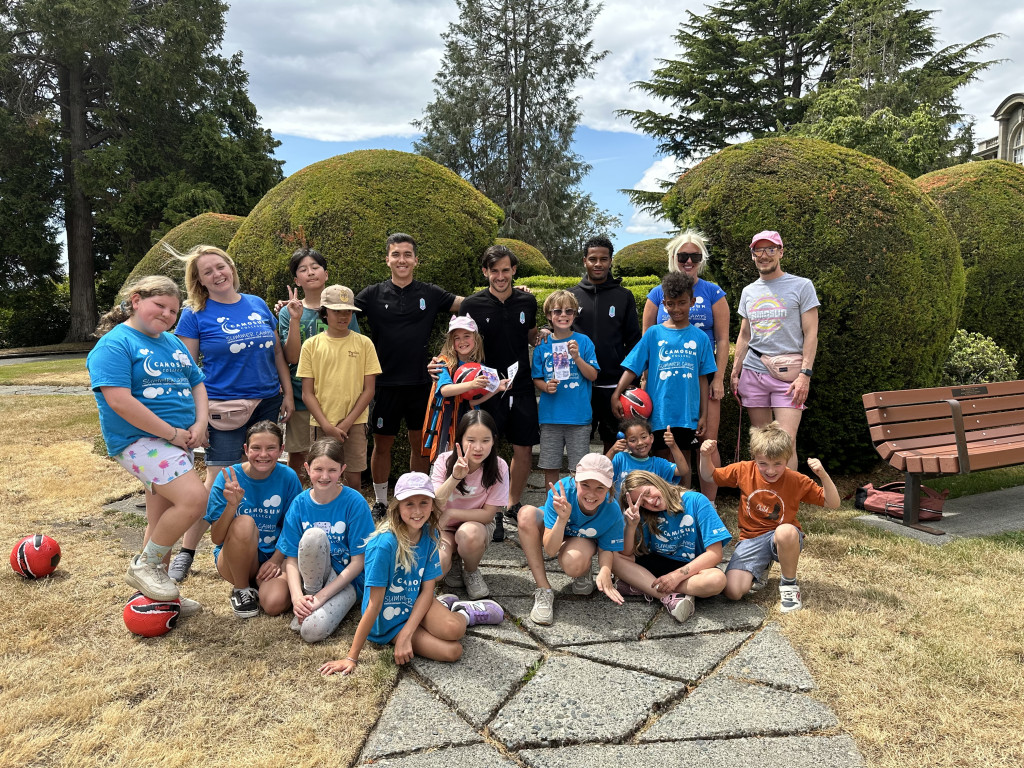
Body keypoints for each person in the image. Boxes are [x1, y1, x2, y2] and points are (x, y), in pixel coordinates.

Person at [169, 245, 294, 582]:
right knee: (214, 486)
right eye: (207, 271)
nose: (217, 274)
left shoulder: (256, 304)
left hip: (267, 401)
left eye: (220, 266)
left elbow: (277, 353)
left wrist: (288, 392)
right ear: (199, 280)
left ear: (231, 268)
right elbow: (186, 373)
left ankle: (260, 542)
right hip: (223, 410)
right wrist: (198, 419)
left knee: (261, 473)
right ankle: (187, 551)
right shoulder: (194, 315)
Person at [86, 276, 207, 614]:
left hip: (176, 441)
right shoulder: (115, 344)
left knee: (163, 520)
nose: (168, 314)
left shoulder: (172, 342)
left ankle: (158, 599)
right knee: (194, 499)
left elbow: (197, 385)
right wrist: (171, 433)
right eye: (160, 306)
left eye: (174, 310)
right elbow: (120, 401)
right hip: (142, 441)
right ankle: (145, 567)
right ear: (136, 300)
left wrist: (199, 424)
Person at [319, 472, 504, 676]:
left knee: (455, 630)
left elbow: (427, 590)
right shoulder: (383, 545)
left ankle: (464, 612)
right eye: (409, 504)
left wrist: (408, 634)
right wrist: (351, 657)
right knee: (453, 651)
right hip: (388, 624)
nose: (417, 511)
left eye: (424, 502)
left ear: (432, 505)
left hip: (415, 602)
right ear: (397, 507)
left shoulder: (430, 533)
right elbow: (374, 604)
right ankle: (442, 608)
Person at [356, 233, 462, 519]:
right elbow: (335, 310)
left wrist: (513, 293)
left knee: (420, 446)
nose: (401, 259)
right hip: (385, 383)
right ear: (387, 259)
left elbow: (471, 304)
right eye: (396, 254)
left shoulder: (430, 293)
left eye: (407, 254)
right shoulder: (372, 294)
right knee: (382, 445)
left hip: (422, 384)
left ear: (416, 260)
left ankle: (417, 496)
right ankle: (380, 501)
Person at [699, 422, 839, 613]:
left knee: (786, 531)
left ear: (787, 459)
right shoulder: (743, 470)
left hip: (781, 537)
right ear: (754, 457)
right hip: (751, 539)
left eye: (778, 464)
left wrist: (823, 475)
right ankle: (761, 567)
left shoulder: (796, 480)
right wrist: (705, 456)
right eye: (763, 463)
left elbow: (833, 503)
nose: (770, 471)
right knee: (733, 592)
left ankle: (789, 585)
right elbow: (709, 477)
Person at [460, 244, 541, 541]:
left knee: (523, 448)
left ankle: (511, 503)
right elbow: (461, 342)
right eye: (494, 271)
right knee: (485, 448)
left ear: (514, 270)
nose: (500, 276)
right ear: (485, 272)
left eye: (505, 270)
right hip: (486, 388)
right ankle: (489, 509)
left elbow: (530, 334)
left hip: (520, 386)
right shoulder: (472, 304)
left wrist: (541, 334)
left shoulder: (527, 301)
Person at [642, 230, 730, 500]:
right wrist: (645, 378)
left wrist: (718, 378)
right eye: (683, 256)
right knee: (665, 443)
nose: (689, 261)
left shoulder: (713, 292)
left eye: (695, 256)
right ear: (673, 257)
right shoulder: (658, 293)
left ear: (702, 259)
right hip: (665, 383)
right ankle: (667, 501)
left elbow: (724, 339)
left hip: (703, 379)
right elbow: (645, 338)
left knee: (707, 443)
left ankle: (708, 506)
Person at [612, 272, 716, 478]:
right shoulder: (653, 333)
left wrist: (703, 414)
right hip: (658, 413)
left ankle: (683, 504)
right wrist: (617, 393)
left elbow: (703, 378)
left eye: (682, 303)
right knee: (658, 460)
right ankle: (658, 504)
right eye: (670, 304)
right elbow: (633, 366)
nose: (676, 309)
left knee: (684, 461)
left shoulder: (701, 338)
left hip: (687, 414)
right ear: (663, 304)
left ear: (692, 302)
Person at [732, 230, 820, 470]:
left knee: (785, 442)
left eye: (770, 249)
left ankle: (787, 503)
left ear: (781, 252)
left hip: (789, 376)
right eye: (758, 250)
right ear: (752, 255)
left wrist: (805, 374)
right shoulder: (748, 291)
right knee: (760, 444)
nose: (764, 255)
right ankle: (764, 498)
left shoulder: (802, 286)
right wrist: (735, 370)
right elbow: (744, 334)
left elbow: (811, 333)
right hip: (753, 372)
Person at [276, 438, 375, 643]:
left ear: (342, 470)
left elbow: (359, 562)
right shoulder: (299, 503)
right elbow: (291, 559)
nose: (324, 476)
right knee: (313, 535)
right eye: (318, 469)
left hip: (345, 581)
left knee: (311, 632)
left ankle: (312, 606)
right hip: (311, 579)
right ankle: (306, 603)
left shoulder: (355, 502)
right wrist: (296, 598)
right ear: (307, 468)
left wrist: (321, 598)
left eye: (332, 469)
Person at [277, 247, 361, 479]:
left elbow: (354, 350)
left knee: (338, 458)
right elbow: (291, 357)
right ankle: (294, 503)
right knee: (299, 454)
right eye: (303, 270)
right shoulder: (288, 312)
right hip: (301, 397)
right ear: (296, 280)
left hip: (338, 399)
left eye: (315, 267)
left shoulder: (343, 311)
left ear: (326, 274)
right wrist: (294, 318)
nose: (310, 273)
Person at [205, 421, 301, 619]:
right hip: (234, 560)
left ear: (281, 450)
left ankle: (263, 587)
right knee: (245, 522)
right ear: (246, 449)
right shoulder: (228, 478)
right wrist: (232, 506)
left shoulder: (289, 477)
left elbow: (293, 528)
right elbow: (216, 538)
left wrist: (276, 560)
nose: (263, 455)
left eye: (271, 448)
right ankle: (241, 589)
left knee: (274, 604)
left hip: (273, 557)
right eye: (256, 448)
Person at [516, 454, 625, 625]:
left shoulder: (613, 509)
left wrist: (605, 570)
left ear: (610, 487)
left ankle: (584, 567)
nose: (591, 493)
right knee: (525, 515)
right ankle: (544, 589)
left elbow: (607, 548)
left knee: (574, 564)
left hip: (584, 539)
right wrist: (561, 519)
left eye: (600, 488)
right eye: (585, 485)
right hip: (559, 528)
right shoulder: (561, 493)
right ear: (575, 481)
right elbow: (550, 550)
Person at [613, 470, 730, 623]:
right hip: (658, 562)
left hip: (692, 568)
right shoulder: (645, 514)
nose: (650, 502)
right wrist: (631, 525)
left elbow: (715, 554)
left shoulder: (696, 501)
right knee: (613, 557)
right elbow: (626, 553)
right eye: (643, 503)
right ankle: (668, 597)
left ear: (656, 481)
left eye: (648, 493)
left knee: (717, 580)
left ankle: (644, 586)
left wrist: (675, 577)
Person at [297, 284, 381, 491]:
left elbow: (369, 390)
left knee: (353, 479)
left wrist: (345, 424)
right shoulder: (311, 345)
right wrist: (326, 425)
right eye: (336, 311)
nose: (343, 316)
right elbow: (307, 393)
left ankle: (354, 520)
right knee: (322, 478)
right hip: (321, 423)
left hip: (355, 423)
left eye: (347, 311)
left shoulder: (364, 344)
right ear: (325, 313)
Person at [568, 236, 642, 452]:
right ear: (584, 261)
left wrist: (631, 381)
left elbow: (634, 342)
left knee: (616, 445)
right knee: (579, 446)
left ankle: (612, 486)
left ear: (610, 261)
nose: (598, 264)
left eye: (603, 259)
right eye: (593, 259)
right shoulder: (572, 296)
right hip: (581, 385)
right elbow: (560, 329)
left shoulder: (624, 296)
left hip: (614, 386)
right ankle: (583, 486)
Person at [431, 410, 510, 599]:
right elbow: (435, 503)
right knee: (438, 569)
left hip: (475, 525)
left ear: (493, 441)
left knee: (469, 535)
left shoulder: (499, 466)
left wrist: (451, 514)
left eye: (485, 440)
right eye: (471, 440)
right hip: (443, 527)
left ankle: (471, 571)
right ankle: (453, 560)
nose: (478, 447)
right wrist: (455, 477)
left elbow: (488, 515)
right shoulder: (443, 460)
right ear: (460, 440)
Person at [531, 290, 599, 489]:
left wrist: (577, 357)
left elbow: (593, 375)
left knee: (580, 469)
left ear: (575, 314)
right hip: (551, 417)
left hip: (578, 417)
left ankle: (578, 509)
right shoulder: (542, 346)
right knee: (550, 467)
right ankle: (552, 510)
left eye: (569, 311)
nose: (563, 315)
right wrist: (546, 386)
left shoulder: (584, 342)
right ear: (548, 315)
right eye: (557, 311)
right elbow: (536, 378)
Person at [421, 315, 507, 464]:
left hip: (468, 422)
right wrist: (472, 384)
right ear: (451, 342)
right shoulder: (443, 362)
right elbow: (445, 390)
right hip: (446, 423)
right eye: (457, 338)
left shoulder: (478, 366)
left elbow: (474, 402)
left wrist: (497, 389)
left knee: (467, 463)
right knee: (444, 463)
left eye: (466, 336)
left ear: (476, 339)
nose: (462, 342)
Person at [605, 416, 686, 496]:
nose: (640, 442)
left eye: (643, 437)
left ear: (651, 438)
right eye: (633, 440)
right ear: (626, 444)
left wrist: (673, 445)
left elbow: (683, 470)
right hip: (622, 509)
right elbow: (601, 468)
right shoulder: (620, 458)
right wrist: (612, 451)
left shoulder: (658, 463)